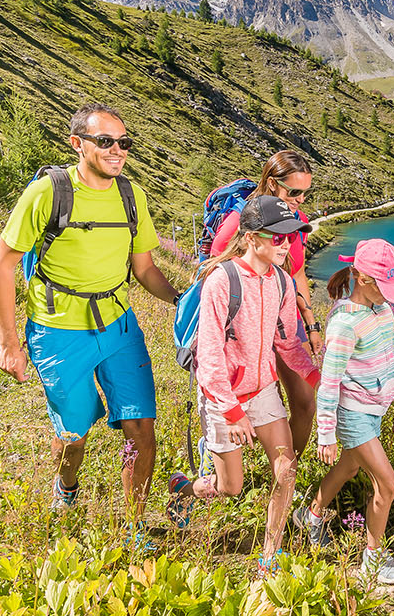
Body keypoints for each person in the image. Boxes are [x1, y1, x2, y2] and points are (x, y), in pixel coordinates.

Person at [0, 103, 181, 532]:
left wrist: (180, 299)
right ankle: (66, 483)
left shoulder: (132, 196)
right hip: (57, 331)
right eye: (105, 141)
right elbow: (2, 262)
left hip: (119, 326)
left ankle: (132, 530)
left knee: (142, 429)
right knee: (76, 432)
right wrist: (8, 343)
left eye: (124, 142)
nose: (118, 150)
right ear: (78, 144)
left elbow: (145, 268)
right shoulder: (47, 193)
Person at [167, 195, 320, 576]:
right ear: (251, 238)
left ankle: (271, 553)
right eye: (277, 238)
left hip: (264, 389)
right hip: (224, 398)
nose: (286, 245)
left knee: (286, 471)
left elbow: (286, 342)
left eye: (291, 238)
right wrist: (232, 412)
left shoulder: (283, 282)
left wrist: (317, 377)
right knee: (229, 487)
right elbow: (211, 356)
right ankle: (184, 488)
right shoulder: (222, 280)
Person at [292, 239, 394, 585]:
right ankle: (373, 561)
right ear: (363, 280)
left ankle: (311, 514)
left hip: (373, 409)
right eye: (385, 287)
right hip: (353, 412)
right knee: (387, 485)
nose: (391, 295)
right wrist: (326, 434)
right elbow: (330, 384)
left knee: (348, 468)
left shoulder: (383, 310)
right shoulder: (343, 324)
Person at [208, 150, 322, 457]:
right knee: (235, 397)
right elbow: (217, 269)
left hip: (283, 320)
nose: (299, 199)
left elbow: (297, 271)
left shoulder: (298, 221)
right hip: (243, 326)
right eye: (293, 191)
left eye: (305, 193)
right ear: (272, 183)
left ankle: (288, 470)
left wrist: (310, 323)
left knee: (305, 400)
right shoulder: (242, 221)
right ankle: (216, 459)